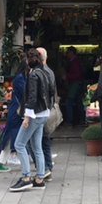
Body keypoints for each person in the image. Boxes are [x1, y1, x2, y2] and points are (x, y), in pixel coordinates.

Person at [10, 49, 50, 192]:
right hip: (43, 113)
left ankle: (26, 177)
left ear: (28, 61)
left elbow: (31, 97)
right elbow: (51, 92)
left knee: (19, 144)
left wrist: (26, 117)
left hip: (34, 115)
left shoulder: (33, 75)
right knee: (36, 147)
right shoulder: (44, 73)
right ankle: (40, 178)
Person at [0, 58, 26, 173]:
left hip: (18, 110)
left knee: (13, 135)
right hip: (17, 111)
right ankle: (6, 160)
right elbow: (26, 92)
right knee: (12, 135)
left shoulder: (21, 78)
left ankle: (1, 162)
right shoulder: (20, 78)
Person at [37, 47, 57, 180]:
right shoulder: (49, 71)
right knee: (44, 140)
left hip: (42, 111)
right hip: (46, 109)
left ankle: (45, 168)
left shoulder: (42, 72)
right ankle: (47, 168)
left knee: (38, 142)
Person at [64, 46, 84, 127]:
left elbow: (77, 74)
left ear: (71, 53)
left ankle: (69, 121)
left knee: (69, 102)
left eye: (68, 52)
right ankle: (84, 118)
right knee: (78, 102)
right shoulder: (75, 61)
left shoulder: (74, 62)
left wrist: (67, 76)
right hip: (77, 83)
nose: (66, 54)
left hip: (75, 84)